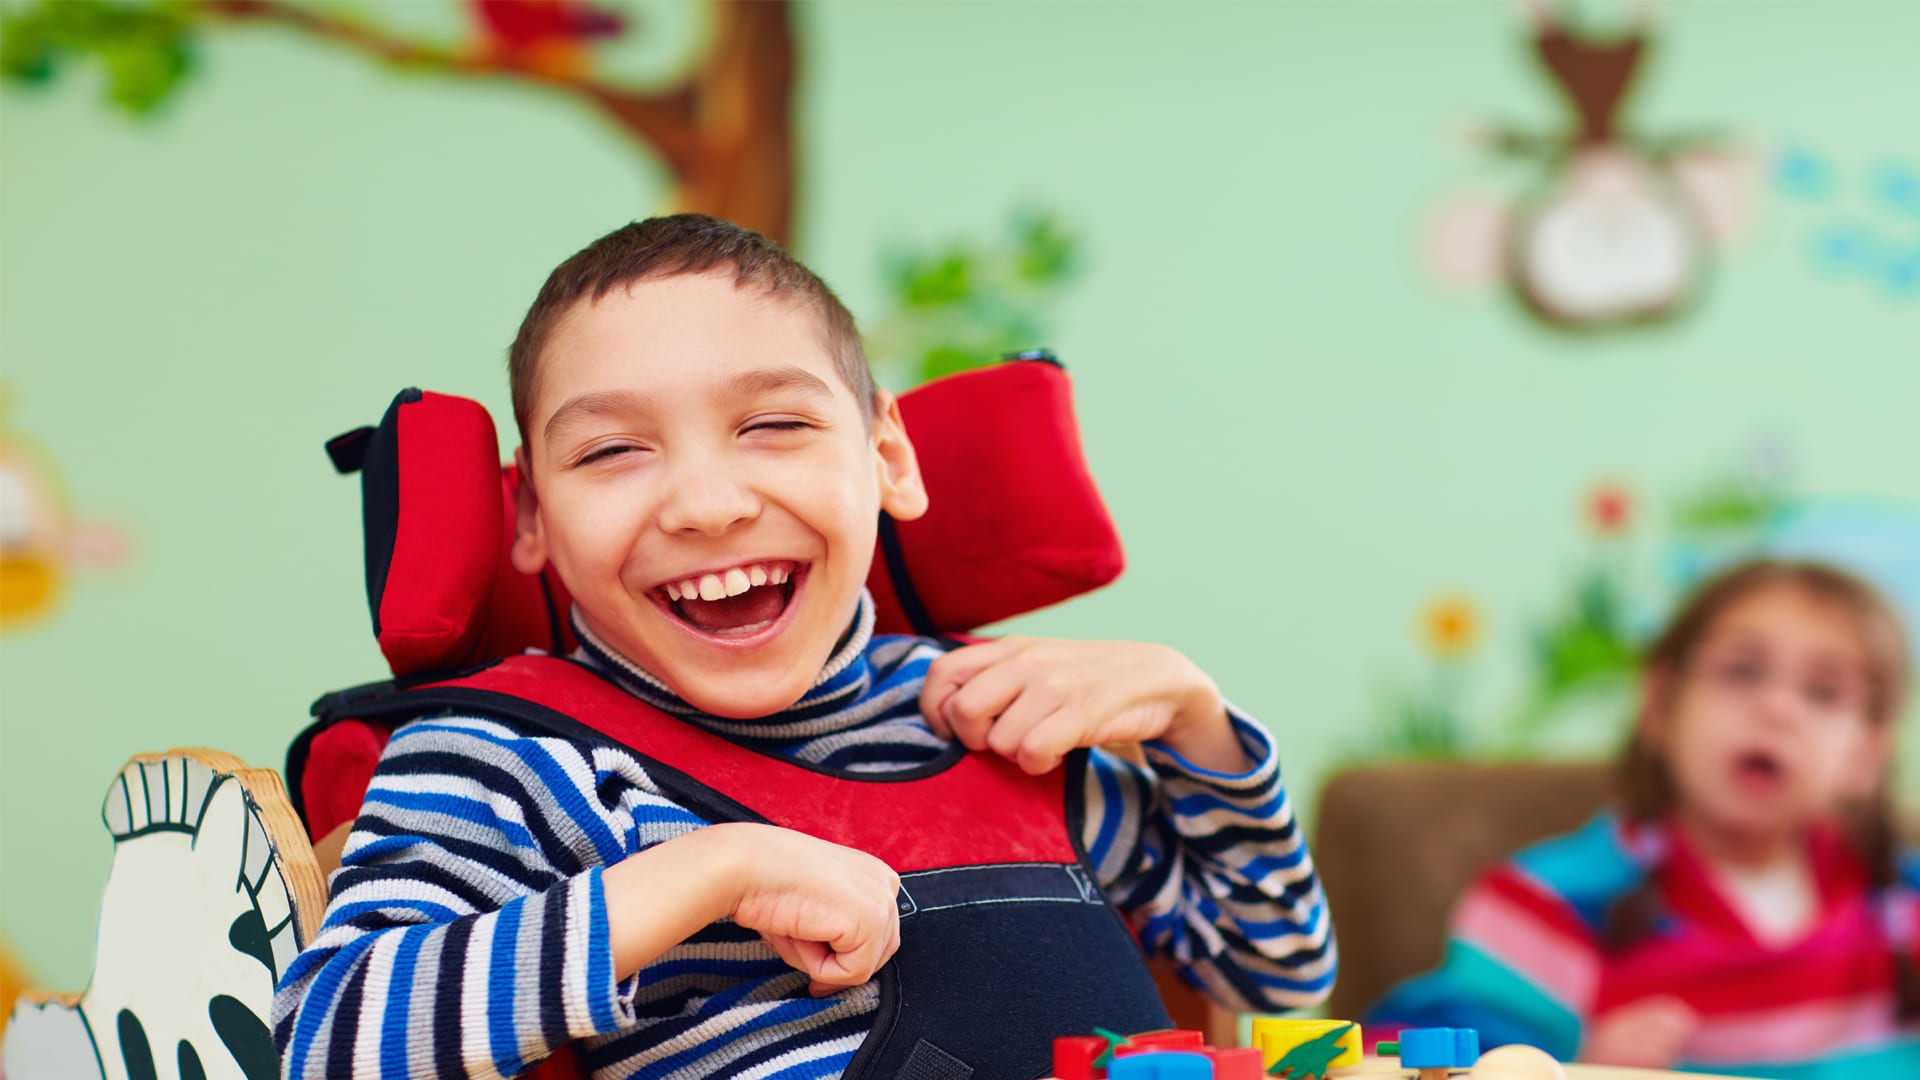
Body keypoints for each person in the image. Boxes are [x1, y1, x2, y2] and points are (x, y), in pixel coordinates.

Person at [271, 214, 1334, 1079]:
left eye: (773, 425)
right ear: (531, 522)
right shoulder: (510, 756)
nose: (706, 504)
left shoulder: (1008, 719)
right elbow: (321, 1042)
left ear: (886, 458)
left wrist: (1203, 727)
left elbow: (1279, 979)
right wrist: (706, 872)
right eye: (611, 449)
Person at [1370, 559, 1920, 1078]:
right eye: (1742, 672)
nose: (1777, 710)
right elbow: (1406, 1055)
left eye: (1823, 692)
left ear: (1867, 754)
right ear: (1660, 702)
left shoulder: (1903, 911)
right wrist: (1583, 1065)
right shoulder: (1549, 906)